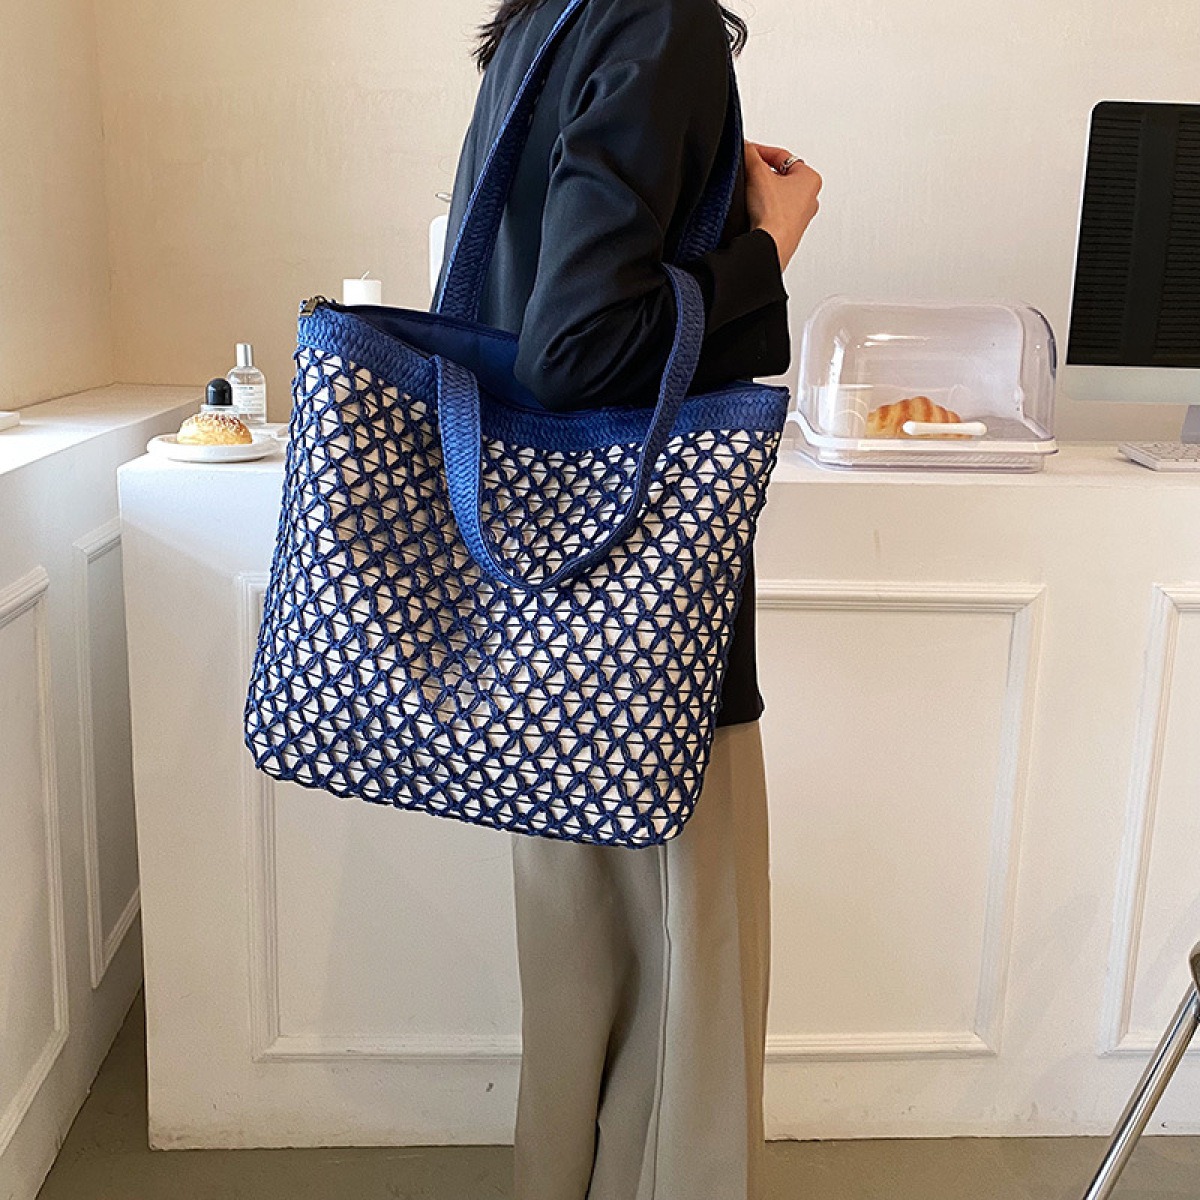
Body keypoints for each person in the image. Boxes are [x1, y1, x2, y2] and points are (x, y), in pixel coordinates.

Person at [436, 1, 821, 1196]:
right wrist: (769, 246)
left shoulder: (547, 21)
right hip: (650, 623)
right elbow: (577, 347)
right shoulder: (660, 21)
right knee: (684, 989)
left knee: (579, 984)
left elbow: (532, 318)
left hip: (541, 609)